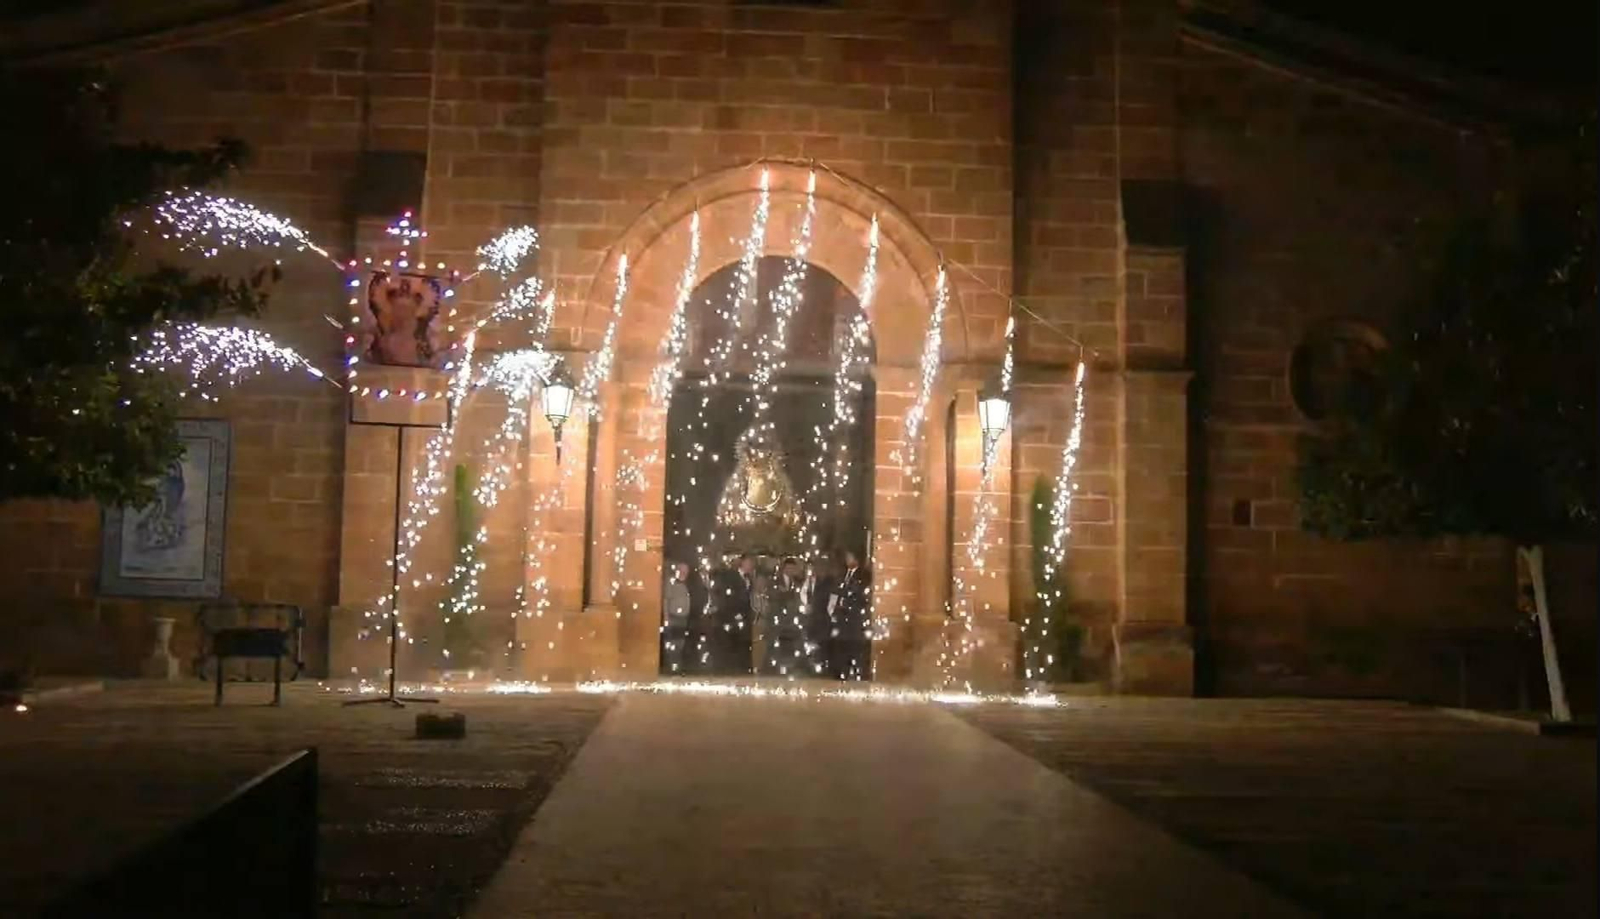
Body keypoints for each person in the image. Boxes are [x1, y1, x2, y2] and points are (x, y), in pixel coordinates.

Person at [828, 549, 872, 681]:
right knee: (841, 645)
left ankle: (854, 673)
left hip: (853, 617)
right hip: (842, 616)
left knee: (853, 646)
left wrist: (848, 602)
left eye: (849, 557)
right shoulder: (844, 574)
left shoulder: (863, 575)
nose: (847, 559)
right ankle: (842, 672)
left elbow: (860, 594)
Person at [710, 553, 756, 675]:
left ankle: (739, 671)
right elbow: (727, 597)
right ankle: (728, 671)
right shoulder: (731, 576)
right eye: (749, 563)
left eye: (752, 563)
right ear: (743, 563)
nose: (751, 566)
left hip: (743, 620)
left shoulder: (748, 579)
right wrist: (735, 613)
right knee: (730, 647)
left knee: (741, 647)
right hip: (730, 619)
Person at [763, 557, 809, 677]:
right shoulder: (774, 581)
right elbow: (772, 596)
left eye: (793, 568)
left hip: (791, 620)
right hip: (777, 619)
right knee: (774, 645)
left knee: (793, 645)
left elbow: (798, 599)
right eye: (789, 568)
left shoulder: (797, 583)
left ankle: (794, 668)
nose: (791, 570)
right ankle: (769, 670)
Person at [803, 556, 834, 676]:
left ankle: (822, 669)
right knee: (811, 644)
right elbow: (804, 594)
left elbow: (830, 600)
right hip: (811, 619)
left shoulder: (828, 582)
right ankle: (812, 668)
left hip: (822, 619)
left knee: (822, 645)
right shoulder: (809, 582)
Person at [661, 562, 692, 676]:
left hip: (683, 618)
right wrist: (666, 617)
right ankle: (671, 668)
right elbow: (666, 600)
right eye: (682, 571)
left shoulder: (686, 584)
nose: (684, 573)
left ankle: (678, 667)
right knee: (672, 644)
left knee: (680, 644)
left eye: (686, 571)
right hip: (673, 617)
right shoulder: (671, 583)